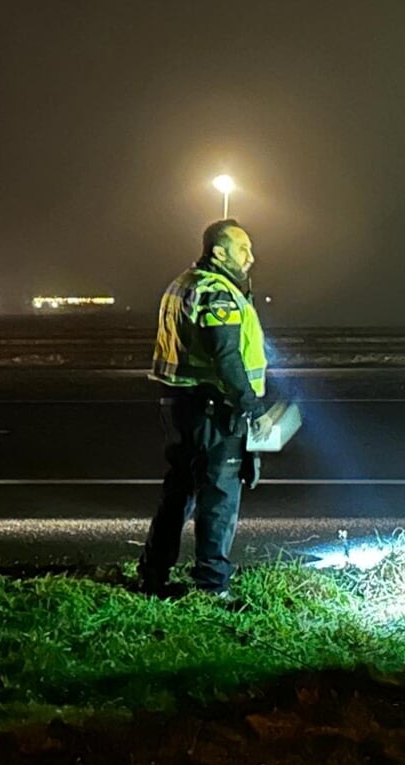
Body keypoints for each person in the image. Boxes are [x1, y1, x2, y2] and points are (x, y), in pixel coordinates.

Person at [138, 219, 268, 601]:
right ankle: (212, 586)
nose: (251, 257)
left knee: (178, 492)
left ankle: (154, 576)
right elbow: (227, 358)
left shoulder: (183, 283)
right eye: (243, 249)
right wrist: (251, 406)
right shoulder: (217, 293)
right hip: (211, 408)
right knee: (219, 496)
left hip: (179, 404)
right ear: (219, 252)